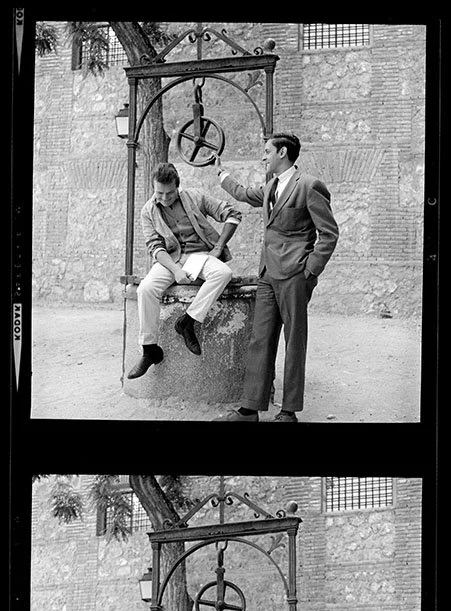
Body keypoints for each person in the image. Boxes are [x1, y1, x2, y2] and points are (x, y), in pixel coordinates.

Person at [213, 133, 339, 421]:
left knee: (294, 342)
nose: (263, 156)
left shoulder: (309, 185)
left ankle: (289, 410)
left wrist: (309, 271)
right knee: (260, 339)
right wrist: (222, 175)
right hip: (267, 274)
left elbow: (329, 233)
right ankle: (250, 408)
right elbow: (244, 194)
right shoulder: (271, 186)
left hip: (295, 275)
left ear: (282, 152)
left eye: (267, 151)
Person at [127, 163, 242, 378]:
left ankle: (187, 322)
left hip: (199, 256)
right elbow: (155, 247)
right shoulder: (148, 211)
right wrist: (176, 271)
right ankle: (149, 349)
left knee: (223, 274)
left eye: (169, 193)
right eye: (159, 193)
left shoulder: (195, 197)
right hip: (169, 259)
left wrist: (218, 248)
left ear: (177, 187)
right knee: (146, 289)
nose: (164, 197)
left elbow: (233, 214)